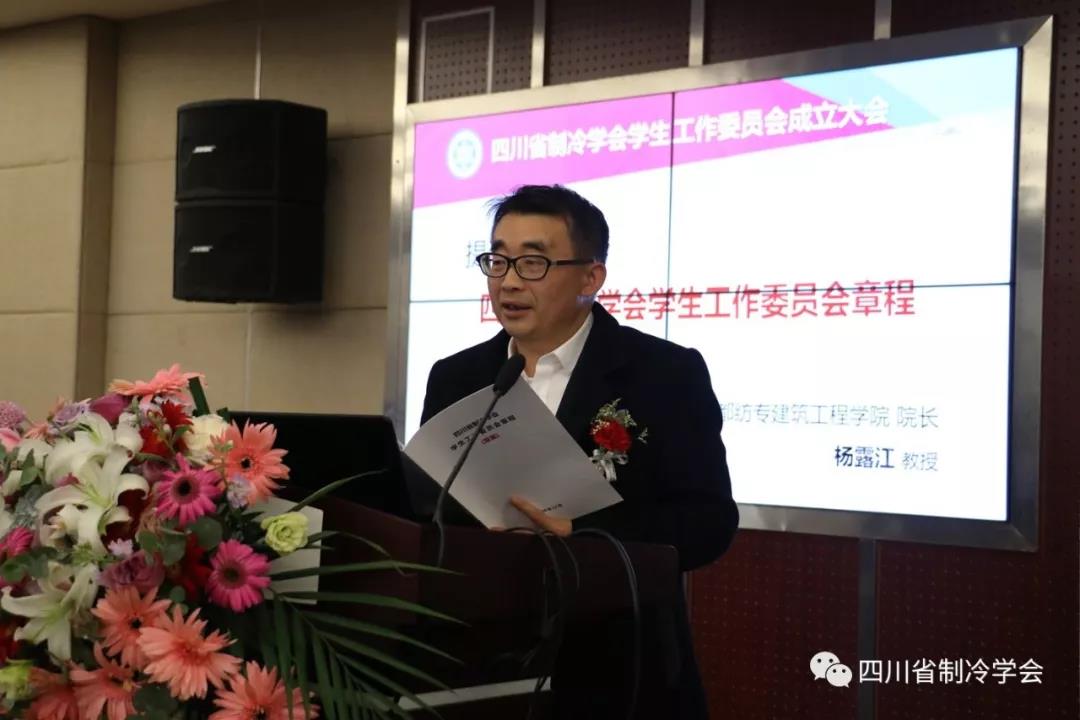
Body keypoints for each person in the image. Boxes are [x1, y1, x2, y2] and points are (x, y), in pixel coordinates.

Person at [420, 184, 738, 719]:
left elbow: (708, 523)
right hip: (482, 666)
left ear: (591, 278)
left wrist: (584, 536)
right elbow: (431, 509)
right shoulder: (456, 377)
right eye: (497, 260)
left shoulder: (662, 374)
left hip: (619, 667)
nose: (509, 281)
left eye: (533, 263)